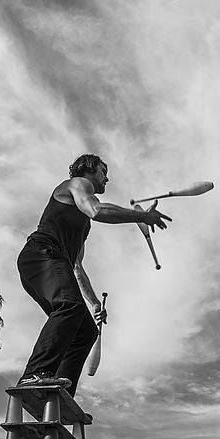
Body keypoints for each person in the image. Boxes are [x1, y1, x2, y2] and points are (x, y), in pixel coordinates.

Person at [16, 154, 171, 396]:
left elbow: (77, 268)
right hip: (41, 254)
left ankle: (58, 394)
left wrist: (95, 303)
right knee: (69, 307)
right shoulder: (78, 184)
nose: (107, 178)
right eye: (103, 171)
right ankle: (34, 374)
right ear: (88, 169)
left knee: (85, 330)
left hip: (50, 262)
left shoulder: (82, 225)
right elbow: (97, 210)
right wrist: (141, 216)